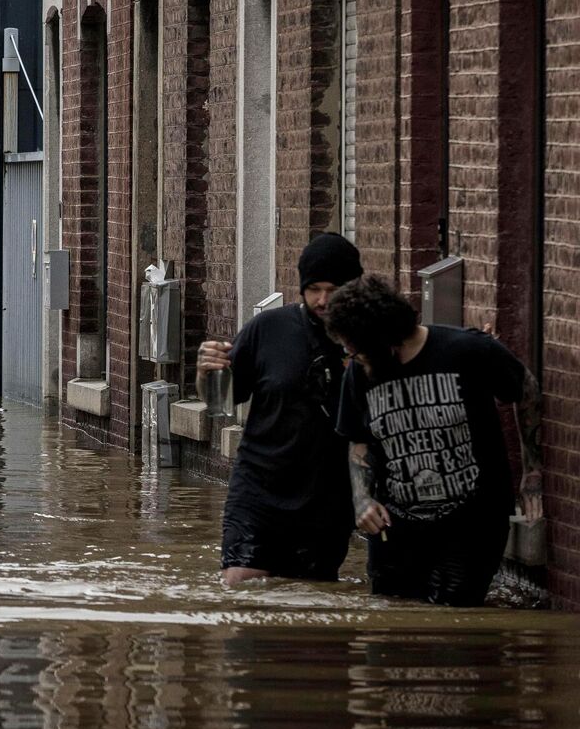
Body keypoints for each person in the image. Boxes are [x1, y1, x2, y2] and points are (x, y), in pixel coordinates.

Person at [325, 274, 542, 606]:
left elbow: (524, 390)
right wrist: (363, 500)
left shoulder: (468, 351)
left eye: (354, 348)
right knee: (390, 628)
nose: (350, 356)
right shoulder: (360, 372)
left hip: (472, 521)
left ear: (381, 339)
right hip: (396, 525)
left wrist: (533, 474)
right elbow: (359, 442)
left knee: (452, 627)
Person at [195, 233, 362, 586]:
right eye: (314, 288)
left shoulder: (366, 341)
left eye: (334, 289)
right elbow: (222, 401)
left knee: (311, 594)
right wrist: (206, 373)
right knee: (241, 580)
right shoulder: (268, 330)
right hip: (260, 485)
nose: (323, 300)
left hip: (327, 495)